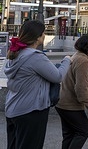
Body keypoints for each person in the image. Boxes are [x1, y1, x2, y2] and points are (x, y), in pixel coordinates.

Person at [4, 20, 71, 149]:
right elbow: (57, 76)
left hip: (13, 109)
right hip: (31, 111)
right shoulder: (35, 57)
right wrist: (66, 61)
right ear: (37, 37)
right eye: (43, 33)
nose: (44, 35)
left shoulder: (15, 54)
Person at [55, 35, 88, 149]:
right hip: (71, 105)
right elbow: (81, 87)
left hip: (62, 103)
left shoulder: (77, 56)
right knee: (83, 131)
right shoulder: (83, 61)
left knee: (69, 134)